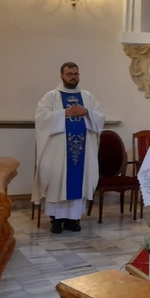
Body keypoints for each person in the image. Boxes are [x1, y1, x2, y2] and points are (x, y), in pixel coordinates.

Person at [32, 62, 106, 234]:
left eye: (76, 74)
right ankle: (56, 221)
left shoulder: (87, 96)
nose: (73, 77)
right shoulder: (50, 97)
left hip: (83, 150)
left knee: (78, 183)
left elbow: (100, 117)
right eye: (69, 74)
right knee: (57, 183)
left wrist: (87, 112)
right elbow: (41, 119)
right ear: (62, 76)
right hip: (57, 152)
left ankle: (73, 219)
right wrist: (63, 113)